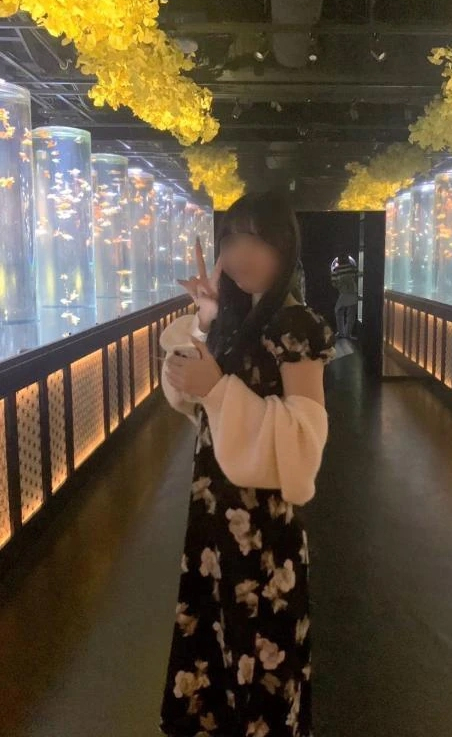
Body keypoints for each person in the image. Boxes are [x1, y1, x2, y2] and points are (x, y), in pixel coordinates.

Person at [158, 191, 336, 737]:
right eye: (232, 239)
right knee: (220, 646)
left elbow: (304, 442)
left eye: (259, 239)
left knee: (260, 658)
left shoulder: (295, 325)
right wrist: (205, 320)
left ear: (286, 247)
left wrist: (219, 388)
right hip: (215, 516)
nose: (242, 254)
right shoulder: (240, 318)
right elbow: (189, 392)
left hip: (262, 531)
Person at [331, 253, 358, 339]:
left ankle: (341, 332)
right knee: (351, 314)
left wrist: (339, 286)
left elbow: (334, 283)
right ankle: (347, 334)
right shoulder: (352, 267)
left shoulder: (336, 269)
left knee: (338, 310)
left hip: (343, 293)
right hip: (353, 291)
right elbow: (357, 275)